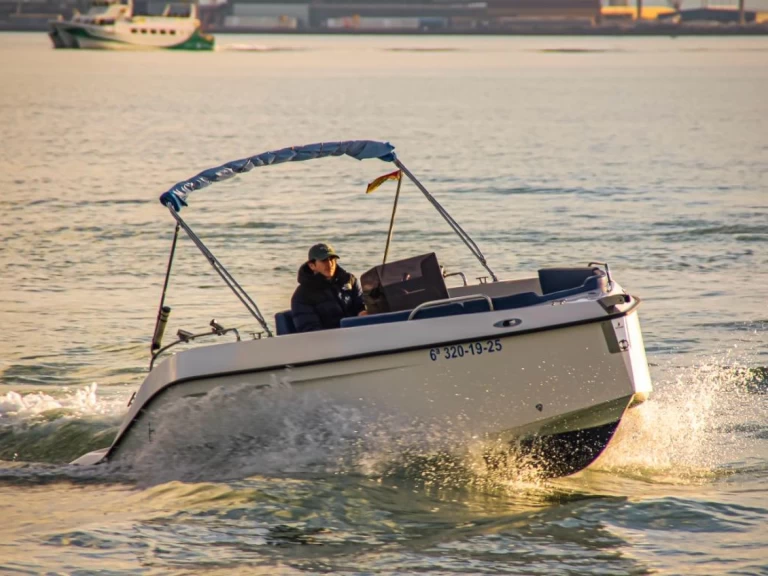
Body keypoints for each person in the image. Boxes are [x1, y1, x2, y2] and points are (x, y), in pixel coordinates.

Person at [290, 243, 367, 333]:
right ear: (312, 265)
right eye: (324, 260)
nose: (330, 264)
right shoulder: (302, 295)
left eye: (332, 259)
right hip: (328, 339)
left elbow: (361, 305)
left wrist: (363, 312)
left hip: (359, 333)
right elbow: (310, 331)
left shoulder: (350, 280)